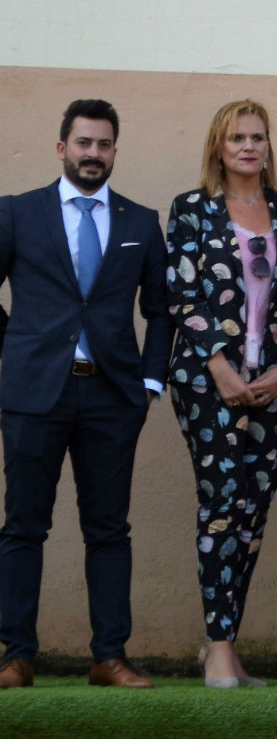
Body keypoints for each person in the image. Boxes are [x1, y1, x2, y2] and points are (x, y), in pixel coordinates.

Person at [0, 99, 172, 689]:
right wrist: (15, 350)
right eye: (82, 143)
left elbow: (161, 310)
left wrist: (152, 380)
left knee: (108, 529)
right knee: (24, 526)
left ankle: (109, 656)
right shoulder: (18, 213)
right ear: (61, 148)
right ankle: (15, 656)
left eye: (103, 145)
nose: (92, 154)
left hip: (112, 398)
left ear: (115, 152)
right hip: (32, 395)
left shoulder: (140, 222)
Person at [165, 99, 277, 688]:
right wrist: (220, 366)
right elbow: (182, 294)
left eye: (257, 137)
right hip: (207, 381)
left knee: (253, 511)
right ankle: (219, 647)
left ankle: (222, 643)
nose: (248, 146)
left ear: (269, 145)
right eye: (236, 138)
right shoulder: (192, 210)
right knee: (223, 503)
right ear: (218, 147)